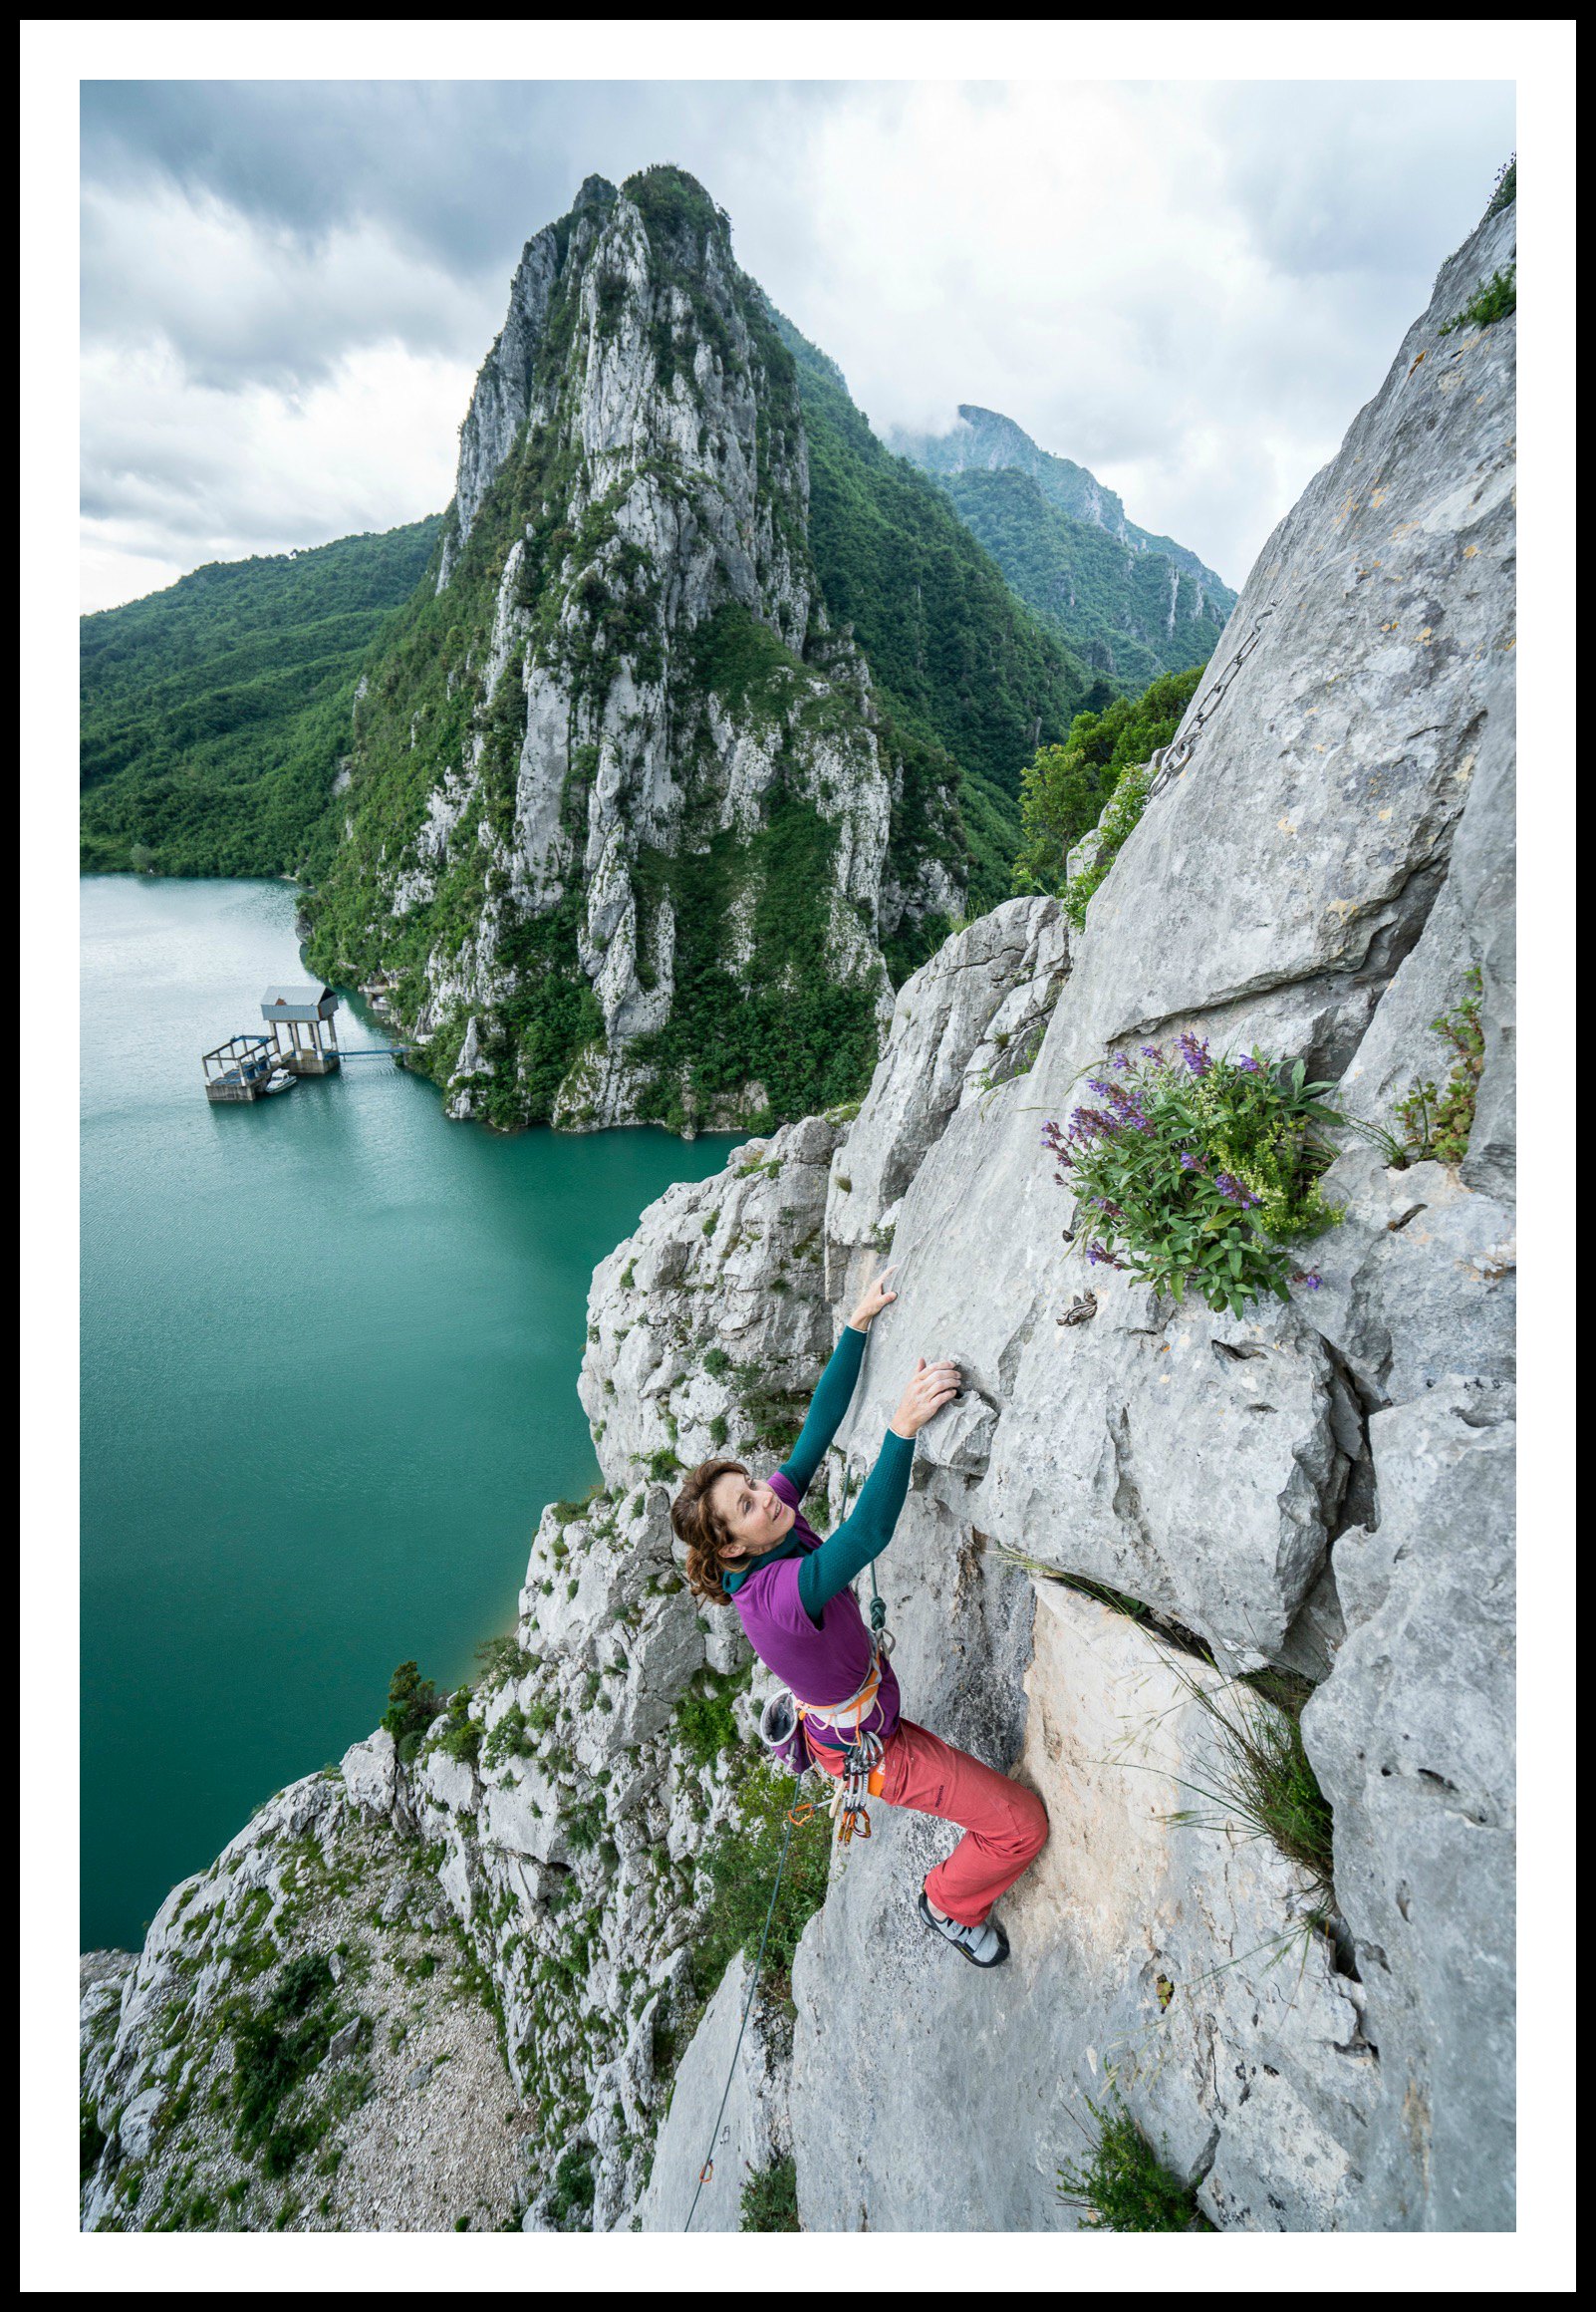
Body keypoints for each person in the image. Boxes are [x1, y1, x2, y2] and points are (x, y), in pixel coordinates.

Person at [669, 1267, 1048, 1967]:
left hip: (867, 1710)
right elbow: (866, 1537)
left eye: (752, 1484)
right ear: (727, 1546)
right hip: (876, 1752)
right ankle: (949, 1905)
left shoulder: (764, 1534)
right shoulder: (775, 1596)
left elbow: (817, 1429)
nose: (767, 1495)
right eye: (748, 1503)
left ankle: (951, 1894)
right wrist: (902, 1428)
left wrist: (855, 1328)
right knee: (1021, 1827)